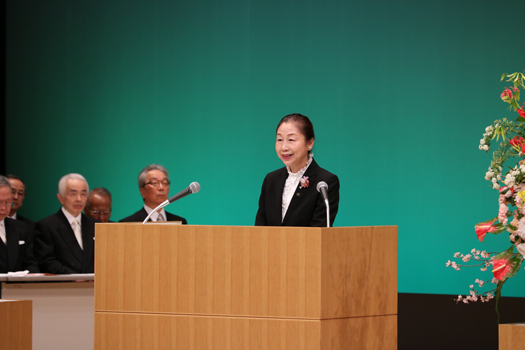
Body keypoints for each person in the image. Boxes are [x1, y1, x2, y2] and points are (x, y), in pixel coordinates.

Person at [255, 113, 340, 227]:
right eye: (280, 139)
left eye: (291, 139)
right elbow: (260, 227)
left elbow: (319, 230)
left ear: (309, 143)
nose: (284, 147)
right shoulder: (271, 180)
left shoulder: (324, 182)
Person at [35, 173, 96, 274]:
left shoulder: (95, 225)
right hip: (65, 286)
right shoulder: (47, 226)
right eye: (73, 194)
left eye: (83, 194)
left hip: (94, 286)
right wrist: (75, 278)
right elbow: (47, 262)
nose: (79, 199)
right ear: (61, 198)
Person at [119, 164, 187, 223]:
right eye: (154, 183)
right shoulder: (127, 223)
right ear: (142, 191)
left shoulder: (180, 222)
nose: (161, 187)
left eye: (165, 183)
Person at [0, 176, 39, 273]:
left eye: (8, 202)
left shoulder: (21, 228)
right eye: (0, 202)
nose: (3, 207)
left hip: (18, 286)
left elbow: (30, 262)